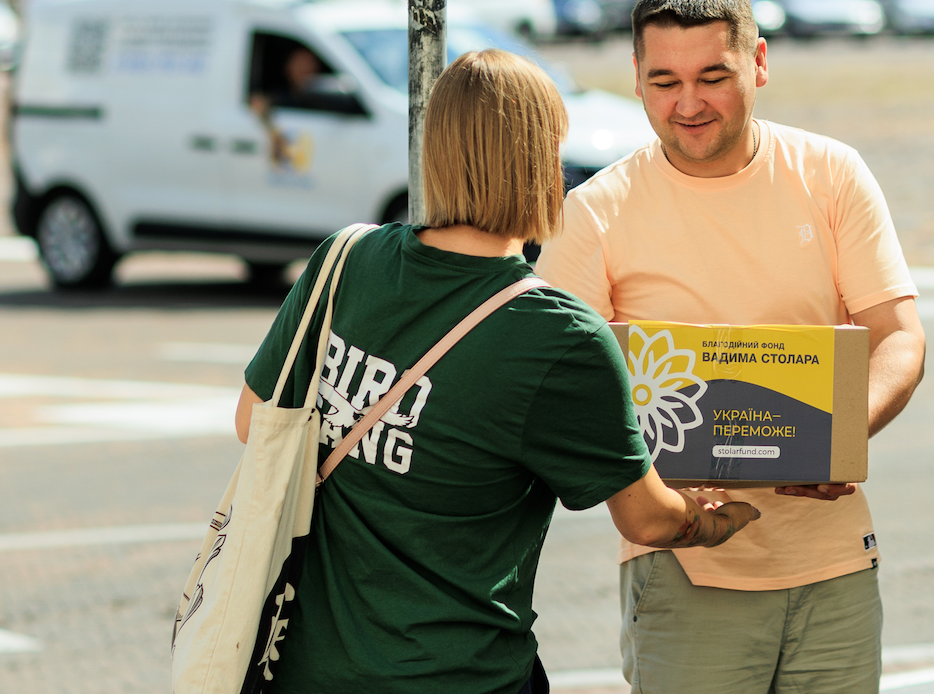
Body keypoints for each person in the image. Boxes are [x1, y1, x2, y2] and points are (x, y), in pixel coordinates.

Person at [233, 48, 760, 694]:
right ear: (540, 162)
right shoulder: (557, 337)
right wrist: (714, 519)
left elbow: (252, 421)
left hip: (303, 670)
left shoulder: (345, 260)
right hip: (458, 675)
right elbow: (648, 519)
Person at [535, 0, 927, 694]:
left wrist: (844, 433)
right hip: (685, 571)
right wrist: (651, 491)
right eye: (663, 81)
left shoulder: (832, 174)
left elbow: (899, 336)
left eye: (713, 76)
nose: (687, 104)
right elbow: (555, 392)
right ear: (635, 76)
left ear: (760, 62)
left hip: (834, 568)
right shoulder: (594, 213)